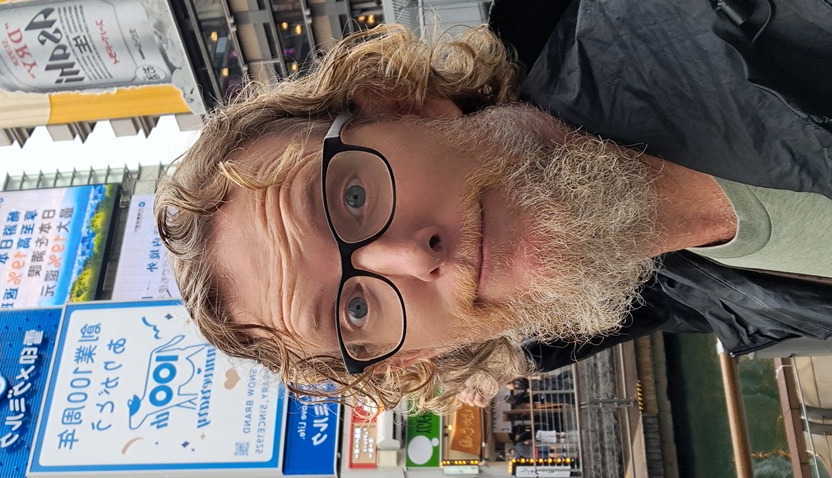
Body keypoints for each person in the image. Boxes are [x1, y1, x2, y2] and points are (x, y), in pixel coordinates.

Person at [155, 0, 832, 413]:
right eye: (356, 309)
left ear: (403, 105)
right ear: (410, 356)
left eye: (352, 197)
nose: (409, 258)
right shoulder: (719, 296)